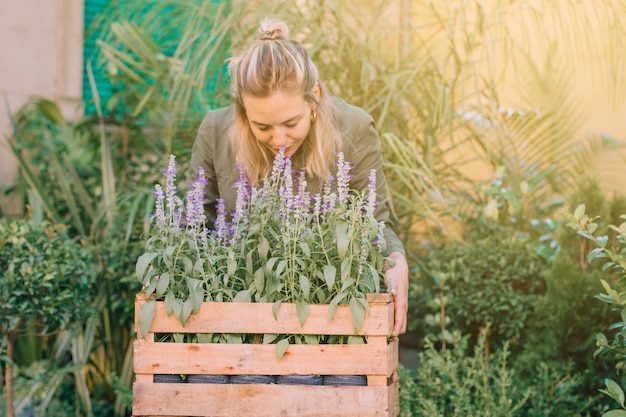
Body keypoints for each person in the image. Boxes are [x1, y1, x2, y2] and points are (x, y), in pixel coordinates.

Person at [187, 18, 408, 336]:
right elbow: (194, 225)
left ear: (314, 96)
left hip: (328, 319)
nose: (278, 139)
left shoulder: (354, 129)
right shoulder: (216, 131)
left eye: (290, 122)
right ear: (243, 111)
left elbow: (373, 222)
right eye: (262, 126)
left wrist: (396, 258)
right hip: (235, 320)